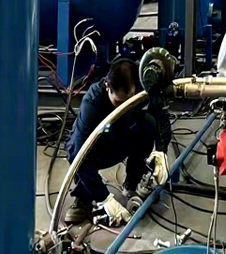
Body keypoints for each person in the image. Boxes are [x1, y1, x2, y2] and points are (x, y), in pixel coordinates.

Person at [64, 58, 170, 226]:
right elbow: (77, 153)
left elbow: (160, 113)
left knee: (149, 123)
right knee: (76, 149)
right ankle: (84, 196)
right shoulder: (93, 102)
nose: (124, 106)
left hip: (123, 136)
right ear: (108, 87)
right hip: (99, 146)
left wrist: (161, 151)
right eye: (119, 102)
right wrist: (104, 198)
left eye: (130, 99)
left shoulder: (142, 85)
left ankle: (132, 183)